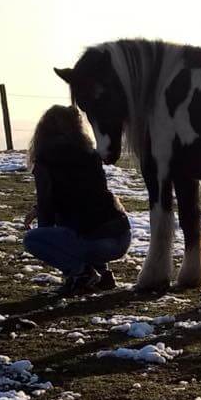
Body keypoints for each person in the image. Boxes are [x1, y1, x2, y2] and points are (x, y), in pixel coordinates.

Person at [23, 105, 131, 296]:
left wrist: (46, 234)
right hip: (121, 237)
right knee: (81, 224)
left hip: (96, 242)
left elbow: (48, 209)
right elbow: (87, 196)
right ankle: (103, 274)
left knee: (32, 240)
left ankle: (82, 273)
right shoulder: (90, 155)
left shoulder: (46, 161)